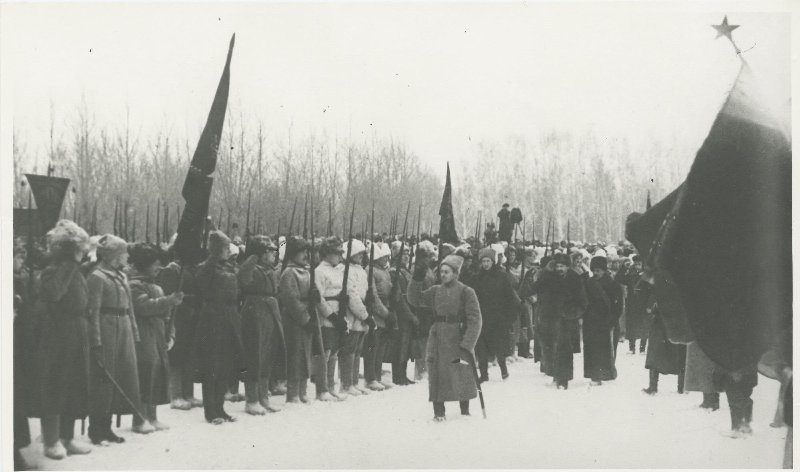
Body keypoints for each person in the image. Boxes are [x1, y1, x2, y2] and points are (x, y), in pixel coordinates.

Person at [36, 221, 94, 459]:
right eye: (79, 248)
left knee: (74, 385)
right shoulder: (54, 270)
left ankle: (67, 437)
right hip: (59, 333)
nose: (83, 252)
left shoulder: (72, 269)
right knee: (56, 385)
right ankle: (51, 440)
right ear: (70, 250)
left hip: (77, 330)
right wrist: (72, 265)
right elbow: (54, 294)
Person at [87, 234, 151, 443]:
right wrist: (95, 341)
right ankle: (98, 428)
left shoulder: (122, 276)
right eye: (124, 253)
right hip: (106, 329)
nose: (126, 258)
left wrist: (134, 333)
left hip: (123, 328)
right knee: (105, 380)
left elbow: (129, 309)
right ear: (114, 255)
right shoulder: (97, 276)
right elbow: (93, 311)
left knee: (123, 376)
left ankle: (109, 426)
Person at [407, 253, 482, 421]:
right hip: (438, 336)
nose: (443, 275)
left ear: (456, 273)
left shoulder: (466, 292)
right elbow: (415, 299)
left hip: (458, 338)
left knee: (461, 371)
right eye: (441, 272)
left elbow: (475, 319)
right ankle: (438, 411)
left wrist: (468, 343)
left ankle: (464, 410)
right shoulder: (435, 291)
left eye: (447, 272)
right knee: (437, 373)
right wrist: (417, 278)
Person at [128, 243, 184, 430]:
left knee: (158, 371)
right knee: (146, 372)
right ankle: (140, 418)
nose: (158, 268)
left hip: (158, 333)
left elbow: (166, 315)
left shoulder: (155, 286)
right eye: (154, 264)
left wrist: (171, 332)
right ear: (144, 264)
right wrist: (169, 301)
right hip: (144, 333)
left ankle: (152, 416)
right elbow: (145, 307)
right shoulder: (135, 285)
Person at [193, 231, 244, 424]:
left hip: (230, 317)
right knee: (212, 366)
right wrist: (212, 258)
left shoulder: (229, 266)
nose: (227, 251)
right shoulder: (205, 268)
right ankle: (211, 411)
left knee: (225, 366)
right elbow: (202, 280)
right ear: (215, 250)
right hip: (212, 319)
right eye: (223, 248)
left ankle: (220, 408)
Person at [521, 253, 587, 389]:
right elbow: (530, 290)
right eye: (557, 266)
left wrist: (573, 314)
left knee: (565, 350)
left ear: (568, 266)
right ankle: (556, 376)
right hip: (550, 319)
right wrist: (530, 275)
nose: (559, 269)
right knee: (551, 349)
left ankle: (563, 380)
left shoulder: (575, 278)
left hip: (567, 320)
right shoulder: (549, 277)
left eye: (562, 266)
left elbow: (582, 301)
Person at [237, 235, 285, 414]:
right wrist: (252, 259)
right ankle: (252, 399)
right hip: (254, 312)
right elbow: (243, 279)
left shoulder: (270, 270)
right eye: (269, 251)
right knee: (254, 356)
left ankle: (264, 397)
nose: (273, 254)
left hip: (270, 312)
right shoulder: (251, 269)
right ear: (260, 254)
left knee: (267, 355)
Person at [279, 236, 325, 404]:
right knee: (295, 355)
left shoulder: (306, 270)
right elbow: (291, 300)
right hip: (295, 320)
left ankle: (303, 390)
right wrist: (305, 319)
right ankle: (293, 392)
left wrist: (315, 294)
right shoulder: (289, 273)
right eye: (301, 252)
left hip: (308, 316)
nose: (305, 255)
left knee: (306, 355)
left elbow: (314, 292)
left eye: (306, 251)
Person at [158, 247, 203, 410]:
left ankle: (188, 393)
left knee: (189, 355)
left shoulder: (190, 270)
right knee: (176, 356)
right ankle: (175, 394)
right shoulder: (171, 270)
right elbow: (169, 293)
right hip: (179, 317)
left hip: (191, 316)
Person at [472, 247, 520, 381]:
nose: (486, 264)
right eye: (483, 261)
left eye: (488, 261)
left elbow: (509, 297)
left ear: (493, 261)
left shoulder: (501, 276)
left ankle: (503, 369)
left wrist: (509, 316)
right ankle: (484, 374)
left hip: (498, 318)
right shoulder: (477, 278)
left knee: (499, 346)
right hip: (482, 317)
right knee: (481, 347)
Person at [314, 237, 349, 400]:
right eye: (336, 253)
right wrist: (331, 315)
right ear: (327, 254)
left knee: (334, 351)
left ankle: (330, 386)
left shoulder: (338, 270)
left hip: (339, 313)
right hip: (327, 316)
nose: (339, 257)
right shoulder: (320, 271)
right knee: (325, 352)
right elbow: (318, 298)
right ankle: (322, 389)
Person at [337, 239, 373, 396]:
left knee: (358, 349)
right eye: (357, 253)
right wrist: (364, 315)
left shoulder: (361, 270)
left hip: (361, 309)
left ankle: (354, 381)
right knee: (349, 349)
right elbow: (352, 294)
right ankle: (346, 382)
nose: (360, 256)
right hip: (352, 313)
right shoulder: (345, 270)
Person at [582, 256, 622, 385]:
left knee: (605, 349)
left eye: (598, 270)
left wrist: (612, 320)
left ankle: (604, 374)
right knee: (592, 349)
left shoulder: (612, 284)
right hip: (591, 321)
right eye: (594, 270)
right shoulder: (589, 283)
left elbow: (618, 305)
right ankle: (594, 375)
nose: (596, 273)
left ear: (604, 270)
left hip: (606, 321)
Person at [364, 242, 395, 390]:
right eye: (383, 257)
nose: (386, 259)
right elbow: (374, 295)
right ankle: (370, 377)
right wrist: (385, 313)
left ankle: (377, 375)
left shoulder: (385, 271)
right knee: (373, 345)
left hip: (386, 308)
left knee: (381, 346)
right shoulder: (370, 270)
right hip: (376, 312)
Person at [388, 248, 418, 385]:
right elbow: (398, 297)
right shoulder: (394, 272)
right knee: (400, 344)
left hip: (410, 309)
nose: (406, 257)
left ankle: (403, 374)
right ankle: (398, 375)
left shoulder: (406, 272)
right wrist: (410, 315)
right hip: (401, 313)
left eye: (407, 254)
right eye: (403, 255)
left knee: (406, 345)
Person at [617, 255, 649, 354]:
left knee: (644, 326)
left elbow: (651, 291)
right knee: (631, 326)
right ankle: (632, 348)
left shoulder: (647, 275)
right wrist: (623, 267)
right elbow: (619, 278)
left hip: (644, 304)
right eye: (635, 263)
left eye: (639, 263)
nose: (637, 265)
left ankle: (642, 348)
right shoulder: (630, 275)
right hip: (632, 304)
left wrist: (649, 305)